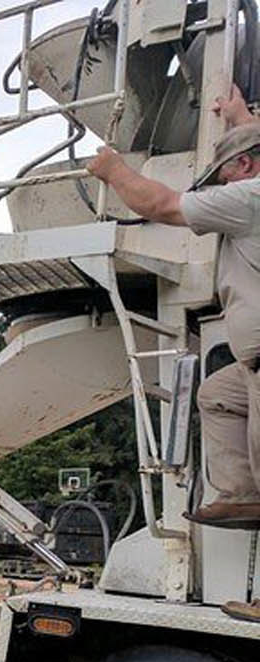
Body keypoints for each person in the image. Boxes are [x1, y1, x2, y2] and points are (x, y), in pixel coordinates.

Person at [85, 88, 260, 528]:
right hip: (252, 365)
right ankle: (243, 496)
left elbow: (160, 204)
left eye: (224, 176)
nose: (221, 187)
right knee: (217, 395)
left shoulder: (249, 198)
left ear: (245, 166)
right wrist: (241, 119)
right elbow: (250, 151)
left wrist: (114, 171)